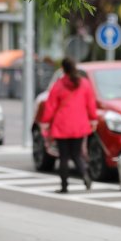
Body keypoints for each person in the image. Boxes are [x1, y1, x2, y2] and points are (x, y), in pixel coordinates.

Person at [40, 58, 97, 193]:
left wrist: (45, 122)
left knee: (64, 157)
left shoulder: (58, 85)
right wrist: (93, 119)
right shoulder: (84, 84)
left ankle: (64, 186)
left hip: (62, 125)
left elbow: (50, 106)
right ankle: (85, 175)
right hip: (79, 124)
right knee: (77, 154)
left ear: (63, 69)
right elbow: (91, 103)